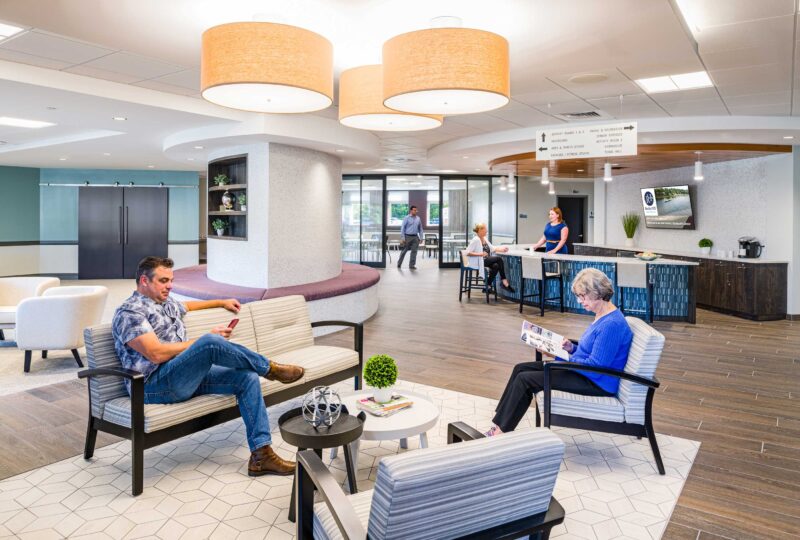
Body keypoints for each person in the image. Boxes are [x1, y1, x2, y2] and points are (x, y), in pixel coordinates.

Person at [111, 256, 305, 476]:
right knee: (209, 342)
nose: (170, 286)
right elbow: (155, 353)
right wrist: (202, 341)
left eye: (171, 280)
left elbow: (187, 306)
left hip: (180, 376)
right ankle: (270, 369)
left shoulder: (164, 302)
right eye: (164, 281)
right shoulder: (130, 313)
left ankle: (261, 456)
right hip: (153, 385)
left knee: (247, 378)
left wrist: (221, 302)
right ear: (144, 281)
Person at [485, 268, 632, 436]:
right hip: (585, 373)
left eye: (582, 296)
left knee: (525, 380)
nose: (579, 301)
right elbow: (593, 352)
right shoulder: (603, 315)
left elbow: (597, 366)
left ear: (597, 292)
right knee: (521, 368)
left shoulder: (611, 324)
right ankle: (499, 421)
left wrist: (560, 355)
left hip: (596, 383)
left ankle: (501, 430)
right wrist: (572, 349)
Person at [465, 223, 515, 293]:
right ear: (480, 230)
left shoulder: (484, 239)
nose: (486, 230)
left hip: (485, 260)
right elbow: (467, 252)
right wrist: (480, 254)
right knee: (499, 259)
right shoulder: (475, 240)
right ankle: (504, 281)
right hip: (479, 261)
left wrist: (501, 249)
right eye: (485, 229)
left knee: (496, 266)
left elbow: (492, 248)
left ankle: (487, 285)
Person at [397, 205, 424, 269]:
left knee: (414, 252)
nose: (415, 211)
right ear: (411, 210)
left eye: (416, 210)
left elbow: (420, 229)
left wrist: (421, 237)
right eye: (414, 210)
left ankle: (412, 265)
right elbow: (403, 228)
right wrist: (403, 238)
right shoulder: (406, 218)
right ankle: (399, 263)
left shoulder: (418, 218)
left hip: (415, 237)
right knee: (404, 251)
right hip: (407, 237)